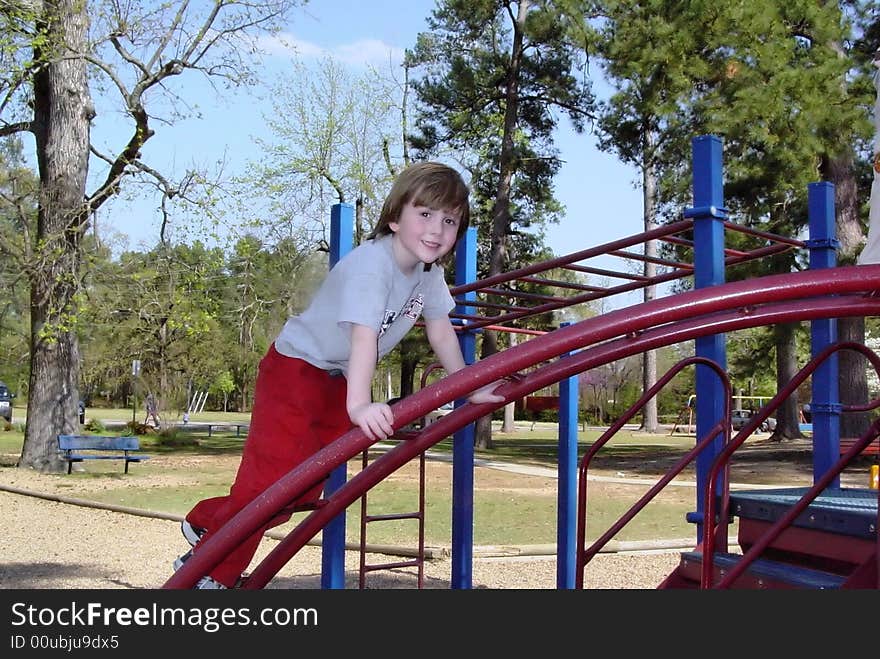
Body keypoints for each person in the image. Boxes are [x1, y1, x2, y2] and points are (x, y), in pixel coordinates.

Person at [175, 162, 505, 589]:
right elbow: (364, 337)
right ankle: (210, 574)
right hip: (296, 369)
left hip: (337, 380)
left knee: (305, 489)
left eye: (449, 221)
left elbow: (442, 330)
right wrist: (360, 404)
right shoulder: (374, 265)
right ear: (394, 217)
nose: (437, 230)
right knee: (268, 483)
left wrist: (470, 387)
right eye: (425, 214)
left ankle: (207, 521)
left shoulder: (429, 275)